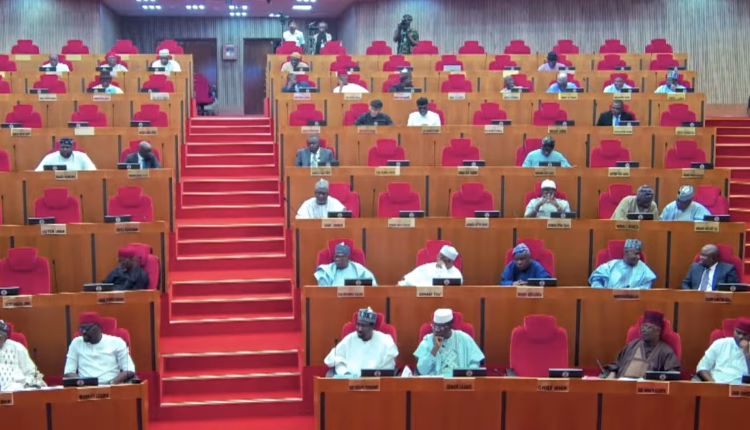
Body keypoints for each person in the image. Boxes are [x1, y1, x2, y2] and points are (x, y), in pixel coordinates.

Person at [602, 311, 681, 379]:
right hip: (621, 385)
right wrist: (612, 374)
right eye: (643, 327)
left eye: (648, 327)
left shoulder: (666, 351)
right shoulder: (632, 345)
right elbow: (617, 364)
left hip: (649, 390)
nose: (643, 330)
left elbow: (672, 375)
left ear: (658, 331)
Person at [64, 312, 136, 385]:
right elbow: (69, 371)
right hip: (85, 388)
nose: (83, 332)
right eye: (81, 329)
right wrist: (81, 383)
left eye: (87, 328)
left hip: (112, 386)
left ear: (98, 327)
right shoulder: (76, 343)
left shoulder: (117, 342)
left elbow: (129, 369)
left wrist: (113, 383)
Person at [323, 308, 398, 376]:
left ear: (372, 326)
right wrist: (345, 373)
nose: (359, 329)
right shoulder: (350, 338)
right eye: (358, 325)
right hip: (349, 381)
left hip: (376, 381)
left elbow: (388, 366)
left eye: (363, 326)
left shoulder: (385, 341)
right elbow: (335, 358)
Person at [414, 309, 484, 376]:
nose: (436, 330)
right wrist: (434, 350)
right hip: (435, 382)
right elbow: (422, 371)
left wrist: (467, 376)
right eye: (434, 326)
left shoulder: (464, 338)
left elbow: (475, 362)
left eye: (441, 327)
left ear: (450, 326)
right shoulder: (428, 341)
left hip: (460, 382)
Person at [696, 318, 750, 384]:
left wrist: (747, 353)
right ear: (734, 331)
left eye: (745, 334)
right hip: (717, 383)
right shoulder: (720, 343)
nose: (740, 337)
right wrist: (713, 384)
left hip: (742, 387)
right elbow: (702, 367)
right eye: (738, 333)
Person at [589, 239, 656, 289]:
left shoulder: (643, 268)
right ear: (626, 252)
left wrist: (630, 293)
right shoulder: (611, 265)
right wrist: (603, 294)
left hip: (633, 301)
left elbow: (646, 287)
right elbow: (596, 279)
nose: (638, 257)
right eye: (636, 254)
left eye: (639, 254)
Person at [0, 320, 46, 391]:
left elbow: (33, 375)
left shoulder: (17, 348)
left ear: (5, 337)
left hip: (17, 392)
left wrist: (23, 386)